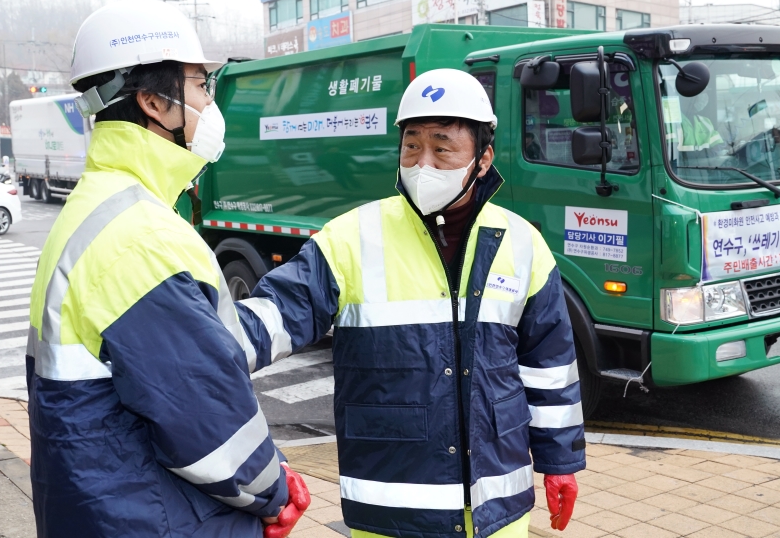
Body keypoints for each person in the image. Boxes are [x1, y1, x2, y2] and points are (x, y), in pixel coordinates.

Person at [234, 68, 585, 537]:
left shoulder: (522, 244)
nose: (423, 164)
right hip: (391, 509)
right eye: (412, 146)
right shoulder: (351, 238)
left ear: (482, 159)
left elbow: (550, 364)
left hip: (498, 506)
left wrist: (560, 461)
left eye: (442, 148)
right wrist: (201, 343)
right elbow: (271, 317)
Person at [26, 0, 310, 538]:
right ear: (156, 103)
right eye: (202, 86)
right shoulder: (140, 237)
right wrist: (271, 493)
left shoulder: (100, 207)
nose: (210, 102)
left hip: (101, 508)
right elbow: (207, 423)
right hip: (155, 519)